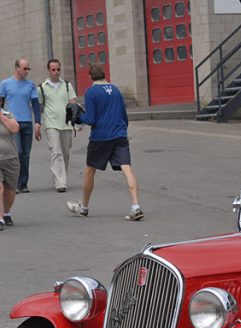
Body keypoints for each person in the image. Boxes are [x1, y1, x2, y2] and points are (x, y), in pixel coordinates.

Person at [67, 64, 143, 221]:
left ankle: (84, 207)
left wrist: (78, 118)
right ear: (104, 75)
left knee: (90, 171)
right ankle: (135, 206)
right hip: (120, 135)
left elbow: (91, 119)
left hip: (100, 137)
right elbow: (124, 115)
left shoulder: (91, 92)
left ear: (90, 77)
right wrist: (122, 130)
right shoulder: (115, 90)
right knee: (127, 169)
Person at [0, 58, 42, 193]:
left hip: (27, 122)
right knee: (17, 153)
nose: (27, 71)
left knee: (26, 154)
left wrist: (37, 122)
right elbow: (1, 103)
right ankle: (14, 182)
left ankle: (23, 183)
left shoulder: (30, 85)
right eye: (25, 68)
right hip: (13, 123)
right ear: (17, 68)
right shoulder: (5, 84)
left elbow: (35, 104)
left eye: (28, 69)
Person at [39, 59, 77, 193]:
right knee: (56, 152)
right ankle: (60, 182)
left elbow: (72, 103)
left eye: (58, 69)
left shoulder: (67, 85)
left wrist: (76, 119)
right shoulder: (42, 87)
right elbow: (39, 106)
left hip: (65, 124)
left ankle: (61, 176)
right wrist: (37, 124)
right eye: (53, 70)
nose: (56, 72)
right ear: (49, 70)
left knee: (65, 154)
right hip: (51, 123)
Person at [0, 107, 20, 230]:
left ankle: (6, 212)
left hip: (10, 158)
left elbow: (15, 128)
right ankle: (0, 218)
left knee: (10, 189)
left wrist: (1, 116)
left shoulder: (8, 114)